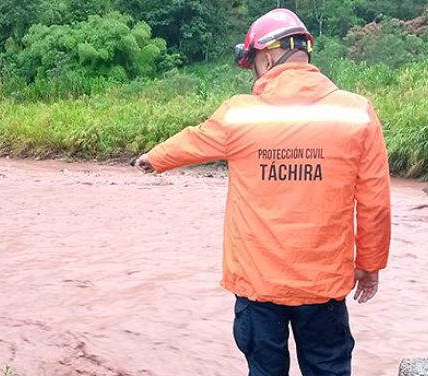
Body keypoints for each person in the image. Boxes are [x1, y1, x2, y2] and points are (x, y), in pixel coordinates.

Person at [133, 8, 391, 376]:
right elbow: (375, 204)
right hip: (323, 286)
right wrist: (369, 265)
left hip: (258, 286)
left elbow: (194, 140)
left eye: (253, 62)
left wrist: (153, 158)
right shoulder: (357, 113)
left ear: (267, 57)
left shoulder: (240, 115)